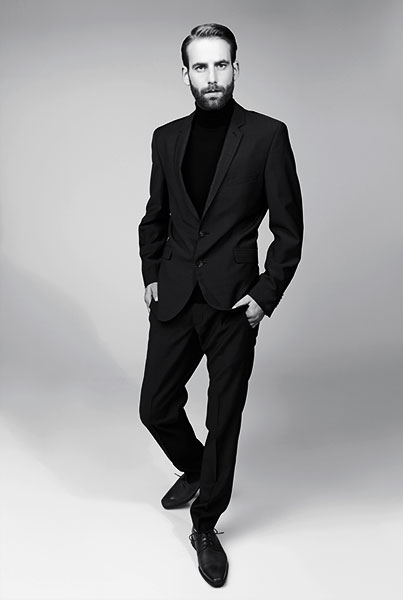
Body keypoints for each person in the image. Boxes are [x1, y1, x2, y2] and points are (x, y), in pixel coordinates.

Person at [138, 23, 303, 587]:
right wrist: (151, 273)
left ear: (236, 68)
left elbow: (289, 229)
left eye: (221, 65)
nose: (212, 77)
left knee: (222, 418)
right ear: (185, 73)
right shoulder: (165, 138)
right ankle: (196, 469)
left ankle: (205, 524)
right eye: (201, 67)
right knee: (155, 407)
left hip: (234, 302)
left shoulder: (267, 136)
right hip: (175, 295)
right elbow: (154, 215)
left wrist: (265, 294)